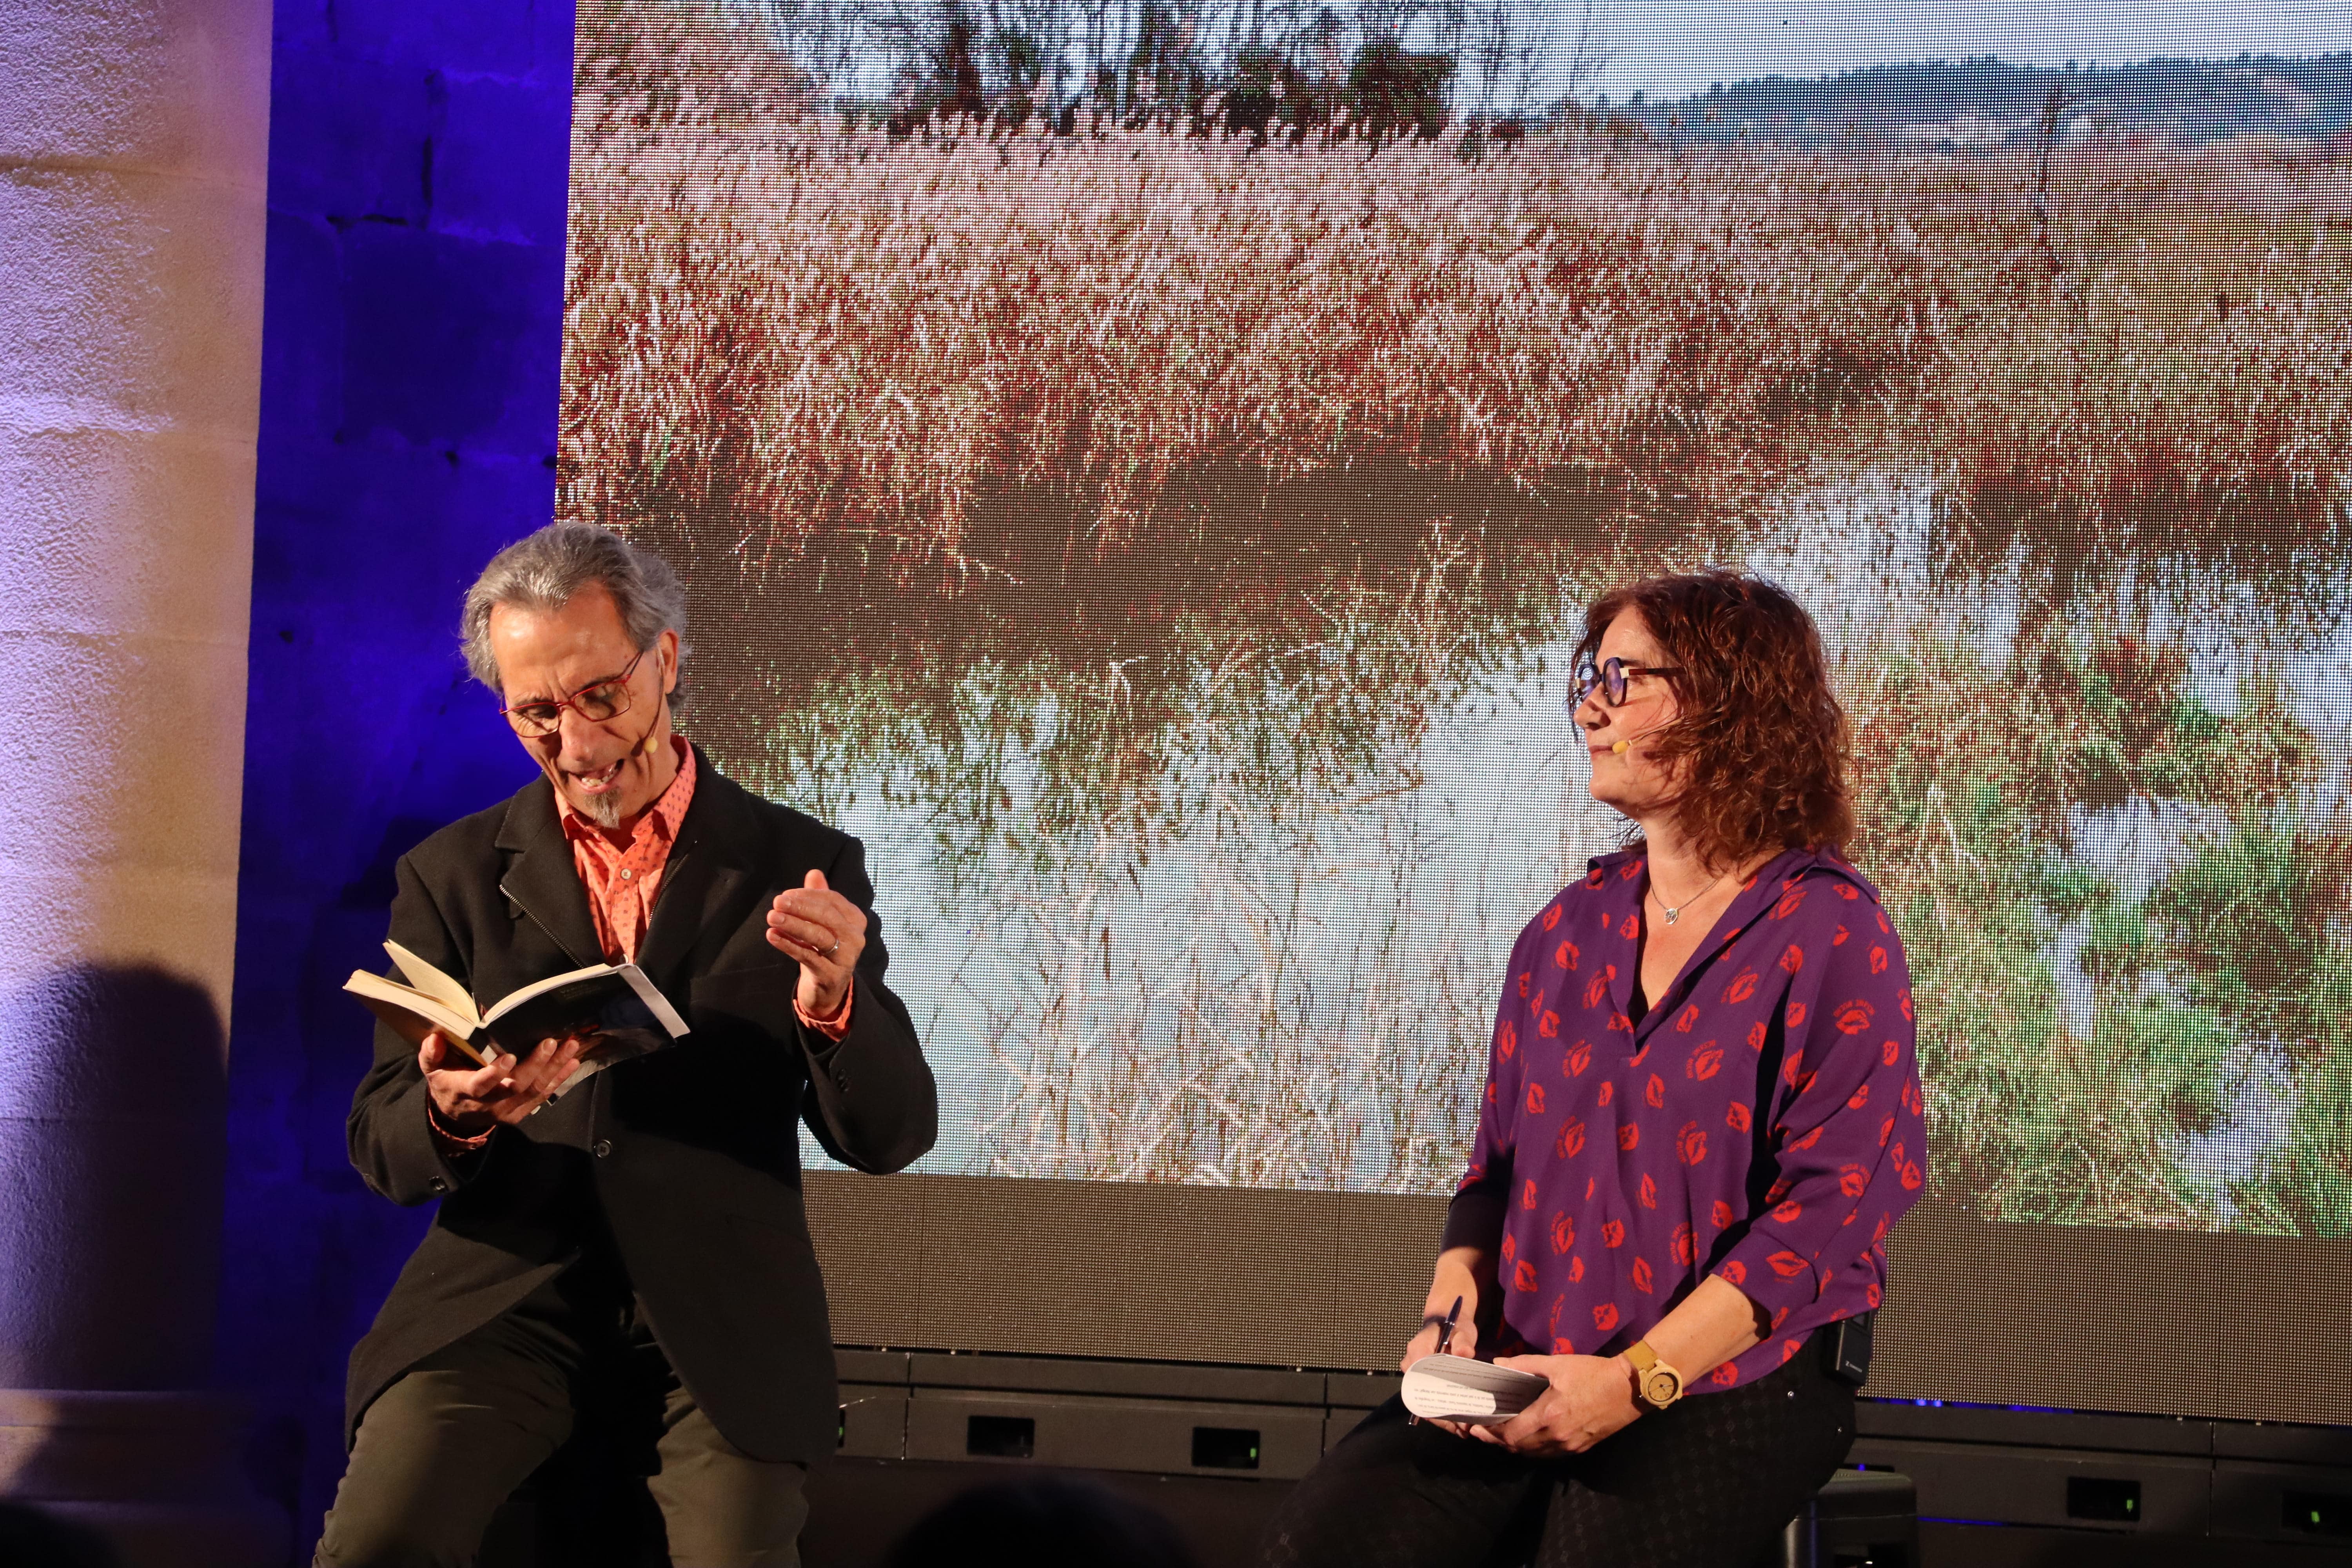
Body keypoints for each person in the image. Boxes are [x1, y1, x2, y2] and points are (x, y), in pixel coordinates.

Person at [1261, 570, 1928, 1568]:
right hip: (1529, 1365)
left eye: (1624, 677)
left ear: (1729, 704)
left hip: (1736, 1378)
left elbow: (1832, 1211)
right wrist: (1447, 1330)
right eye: (1591, 675)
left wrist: (1633, 1381)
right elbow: (1490, 1177)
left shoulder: (1830, 927)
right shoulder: (1564, 932)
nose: (1589, 705)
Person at [314, 523, 937, 1568]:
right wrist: (451, 1109)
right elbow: (381, 1147)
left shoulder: (798, 862)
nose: (581, 743)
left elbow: (892, 1134)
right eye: (537, 714)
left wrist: (834, 1002)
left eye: (603, 696)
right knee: (375, 1546)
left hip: (721, 1316)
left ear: (668, 659)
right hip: (506, 1299)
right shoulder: (451, 875)